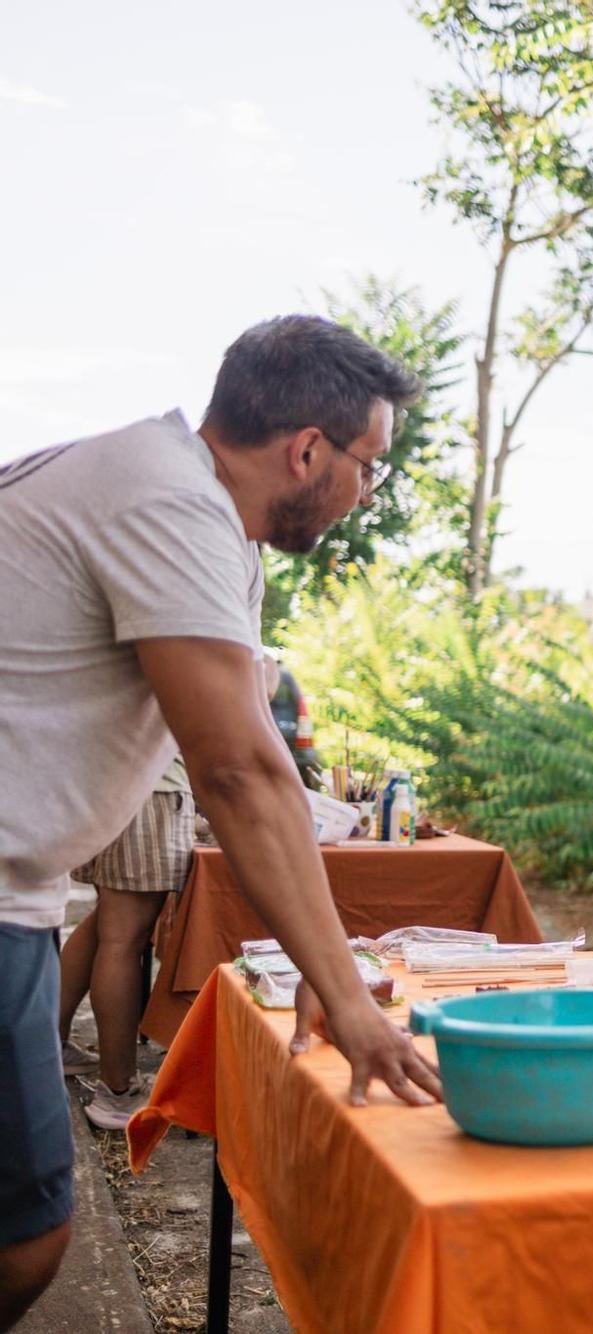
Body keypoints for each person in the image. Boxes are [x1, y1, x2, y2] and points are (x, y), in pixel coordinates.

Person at [0, 315, 443, 1327]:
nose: (366, 492)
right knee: (21, 1235)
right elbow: (242, 771)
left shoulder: (172, 493)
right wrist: (347, 996)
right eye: (367, 465)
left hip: (16, 899)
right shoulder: (170, 502)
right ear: (306, 450)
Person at [54, 759, 194, 1132]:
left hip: (105, 785)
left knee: (109, 923)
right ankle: (117, 1090)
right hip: (150, 789)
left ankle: (50, 1042)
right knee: (123, 937)